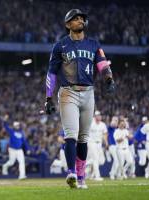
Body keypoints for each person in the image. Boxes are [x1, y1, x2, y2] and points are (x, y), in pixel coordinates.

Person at [44, 9, 115, 189]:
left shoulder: (93, 44)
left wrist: (109, 79)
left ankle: (82, 177)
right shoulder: (60, 46)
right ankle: (72, 173)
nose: (80, 21)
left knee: (83, 138)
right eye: (75, 19)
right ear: (68, 24)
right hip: (68, 92)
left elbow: (102, 64)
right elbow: (51, 73)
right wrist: (48, 97)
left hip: (89, 92)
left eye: (82, 18)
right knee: (71, 135)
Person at [2, 114, 30, 180]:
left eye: (18, 125)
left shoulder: (21, 132)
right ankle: (5, 166)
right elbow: (5, 126)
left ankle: (22, 175)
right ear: (14, 126)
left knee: (22, 161)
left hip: (19, 150)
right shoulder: (11, 131)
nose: (17, 126)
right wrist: (5, 120)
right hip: (12, 149)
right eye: (16, 125)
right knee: (11, 162)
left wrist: (28, 149)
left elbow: (24, 142)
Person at [86, 111, 107, 181]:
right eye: (97, 115)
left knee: (102, 161)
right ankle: (97, 176)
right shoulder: (90, 123)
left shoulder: (103, 124)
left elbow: (105, 134)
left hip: (99, 144)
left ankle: (85, 164)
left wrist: (106, 142)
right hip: (91, 143)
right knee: (95, 159)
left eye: (99, 115)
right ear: (94, 116)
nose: (99, 116)